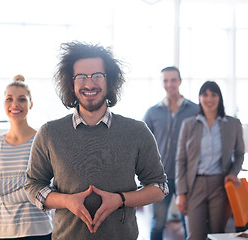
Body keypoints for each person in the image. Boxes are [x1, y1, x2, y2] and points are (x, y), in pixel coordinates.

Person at [24, 41, 168, 240]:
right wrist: (66, 201)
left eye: (97, 76)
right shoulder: (49, 133)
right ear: (70, 82)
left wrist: (120, 200)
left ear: (110, 82)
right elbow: (33, 185)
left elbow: (159, 187)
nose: (89, 84)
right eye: (81, 77)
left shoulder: (137, 131)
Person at [0, 75, 52, 240]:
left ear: (30, 104)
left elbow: (47, 187)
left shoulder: (42, 140)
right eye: (9, 99)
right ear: (4, 103)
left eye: (22, 99)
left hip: (37, 230)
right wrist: (29, 180)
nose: (15, 104)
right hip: (0, 230)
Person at [175, 81, 245, 240]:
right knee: (195, 235)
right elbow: (180, 160)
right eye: (205, 94)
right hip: (194, 185)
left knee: (218, 233)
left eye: (213, 94)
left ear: (219, 98)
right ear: (199, 98)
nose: (209, 99)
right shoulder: (188, 124)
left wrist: (234, 172)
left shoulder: (233, 124)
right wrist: (181, 193)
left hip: (220, 185)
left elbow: (240, 154)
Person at [143, 66, 198, 240]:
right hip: (160, 178)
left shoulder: (195, 110)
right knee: (158, 223)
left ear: (180, 81)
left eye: (173, 80)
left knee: (189, 224)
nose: (169, 84)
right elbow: (143, 145)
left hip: (187, 177)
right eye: (165, 80)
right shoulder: (152, 112)